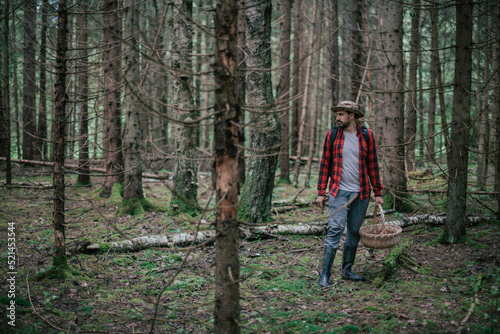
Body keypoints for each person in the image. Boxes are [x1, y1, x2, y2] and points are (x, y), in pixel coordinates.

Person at [316, 100, 384, 288]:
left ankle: (347, 271)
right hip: (338, 192)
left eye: (341, 114)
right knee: (335, 230)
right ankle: (325, 275)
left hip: (361, 193)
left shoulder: (366, 135)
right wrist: (321, 192)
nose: (337, 118)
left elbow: (373, 165)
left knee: (354, 231)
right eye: (336, 114)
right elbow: (324, 165)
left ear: (351, 115)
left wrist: (377, 192)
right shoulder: (332, 135)